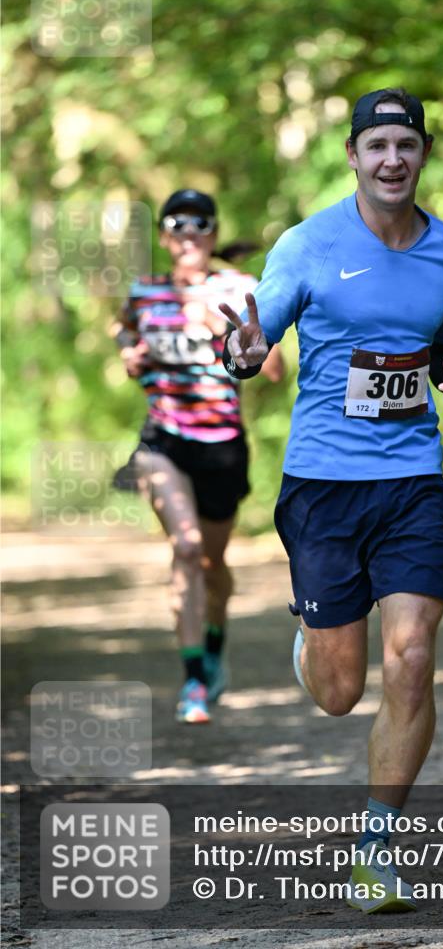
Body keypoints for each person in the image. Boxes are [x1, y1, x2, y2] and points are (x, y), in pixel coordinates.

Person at [220, 88, 443, 912]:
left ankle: (377, 845)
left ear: (424, 153)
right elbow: (254, 339)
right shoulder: (308, 244)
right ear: (354, 157)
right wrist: (243, 352)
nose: (392, 159)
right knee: (340, 692)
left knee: (410, 657)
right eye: (377, 146)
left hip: (408, 481)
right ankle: (311, 645)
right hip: (324, 485)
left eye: (406, 144)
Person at [113, 189, 283, 725]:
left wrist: (230, 336)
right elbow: (124, 331)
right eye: (178, 227)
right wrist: (128, 353)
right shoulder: (145, 293)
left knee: (212, 565)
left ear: (213, 234)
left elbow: (275, 370)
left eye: (201, 226)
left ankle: (215, 642)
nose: (190, 236)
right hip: (163, 442)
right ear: (165, 237)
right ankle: (192, 681)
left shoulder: (239, 288)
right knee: (186, 550)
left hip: (223, 447)